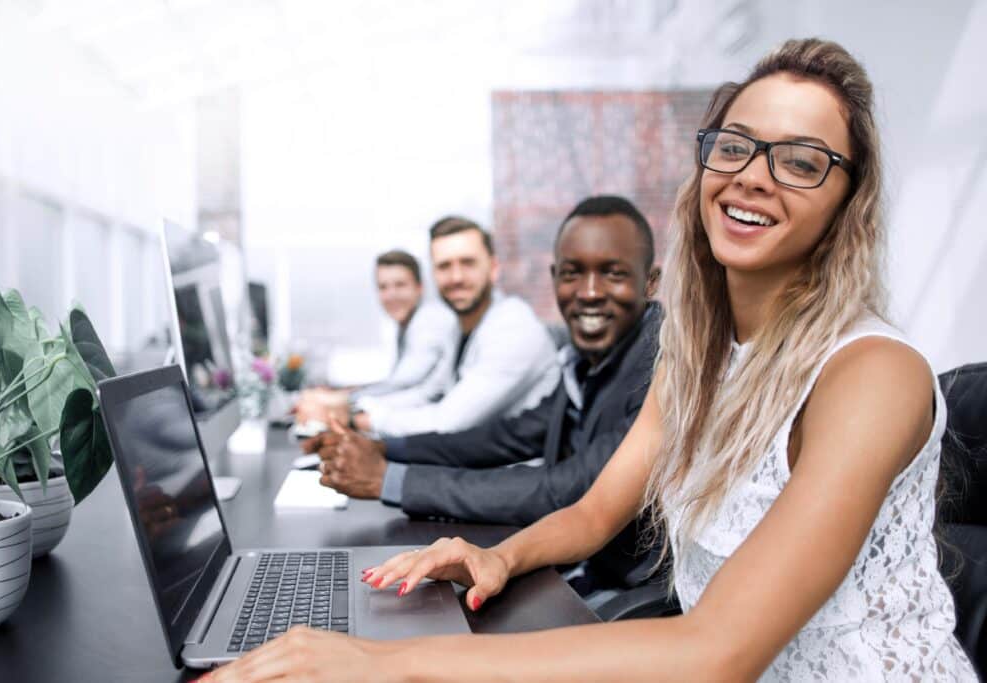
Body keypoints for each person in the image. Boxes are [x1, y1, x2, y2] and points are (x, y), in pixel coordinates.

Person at [202, 39, 976, 682]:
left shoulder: (870, 374)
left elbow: (715, 652)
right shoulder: (698, 350)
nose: (752, 175)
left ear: (849, 201)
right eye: (735, 147)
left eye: (801, 161)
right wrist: (496, 555)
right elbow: (595, 512)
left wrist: (383, 662)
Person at [306, 195, 664, 601]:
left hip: (623, 589)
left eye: (613, 273)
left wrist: (388, 476)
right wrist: (384, 448)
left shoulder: (659, 362)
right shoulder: (591, 358)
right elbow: (507, 435)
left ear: (650, 282)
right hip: (564, 561)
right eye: (572, 273)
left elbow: (572, 489)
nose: (590, 292)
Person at [349, 217, 559, 437]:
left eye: (468, 263)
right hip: (468, 461)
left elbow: (447, 422)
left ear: (494, 268)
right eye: (444, 266)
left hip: (513, 467)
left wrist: (363, 419)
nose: (456, 277)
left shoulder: (514, 329)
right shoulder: (457, 327)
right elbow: (431, 393)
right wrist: (359, 409)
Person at [295, 250, 453, 422]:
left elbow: (404, 383)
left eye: (400, 285)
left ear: (419, 287)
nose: (391, 295)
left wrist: (344, 398)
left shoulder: (430, 321)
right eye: (383, 287)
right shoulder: (408, 323)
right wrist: (342, 393)